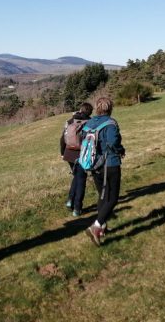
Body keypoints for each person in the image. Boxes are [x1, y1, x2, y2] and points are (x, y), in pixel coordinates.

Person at [85, 97, 126, 247]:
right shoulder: (110, 123)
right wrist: (121, 150)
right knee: (113, 198)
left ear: (97, 108)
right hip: (110, 164)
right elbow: (113, 143)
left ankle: (102, 226)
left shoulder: (89, 123)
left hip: (95, 165)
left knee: (103, 196)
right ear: (110, 108)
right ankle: (96, 226)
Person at [60, 102, 93, 216]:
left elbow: (62, 138)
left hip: (69, 153)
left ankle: (70, 200)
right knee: (81, 180)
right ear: (90, 112)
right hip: (82, 155)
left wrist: (62, 153)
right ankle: (77, 208)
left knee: (77, 176)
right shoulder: (90, 122)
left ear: (80, 109)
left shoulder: (70, 121)